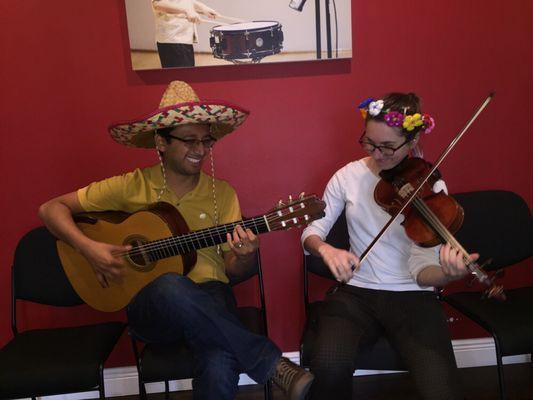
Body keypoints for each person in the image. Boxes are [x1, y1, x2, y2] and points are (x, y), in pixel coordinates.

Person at [39, 81, 314, 400]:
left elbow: (234, 271)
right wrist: (89, 249)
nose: (199, 150)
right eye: (188, 141)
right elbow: (50, 210)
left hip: (212, 294)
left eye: (206, 141)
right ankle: (271, 364)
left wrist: (245, 255)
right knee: (170, 284)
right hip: (153, 308)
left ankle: (268, 365)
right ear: (161, 142)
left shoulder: (222, 194)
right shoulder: (132, 186)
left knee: (219, 361)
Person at [301, 93, 477, 400]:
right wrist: (326, 250)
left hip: (413, 296)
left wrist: (447, 275)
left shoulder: (430, 185)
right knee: (328, 366)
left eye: (388, 147)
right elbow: (312, 232)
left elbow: (423, 272)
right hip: (357, 293)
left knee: (442, 390)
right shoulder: (348, 176)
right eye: (370, 143)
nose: (378, 155)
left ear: (412, 141)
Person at [152, 0, 219, 68]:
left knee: (186, 75)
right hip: (173, 39)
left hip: (182, 39)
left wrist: (203, 8)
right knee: (179, 76)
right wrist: (186, 10)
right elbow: (158, 4)